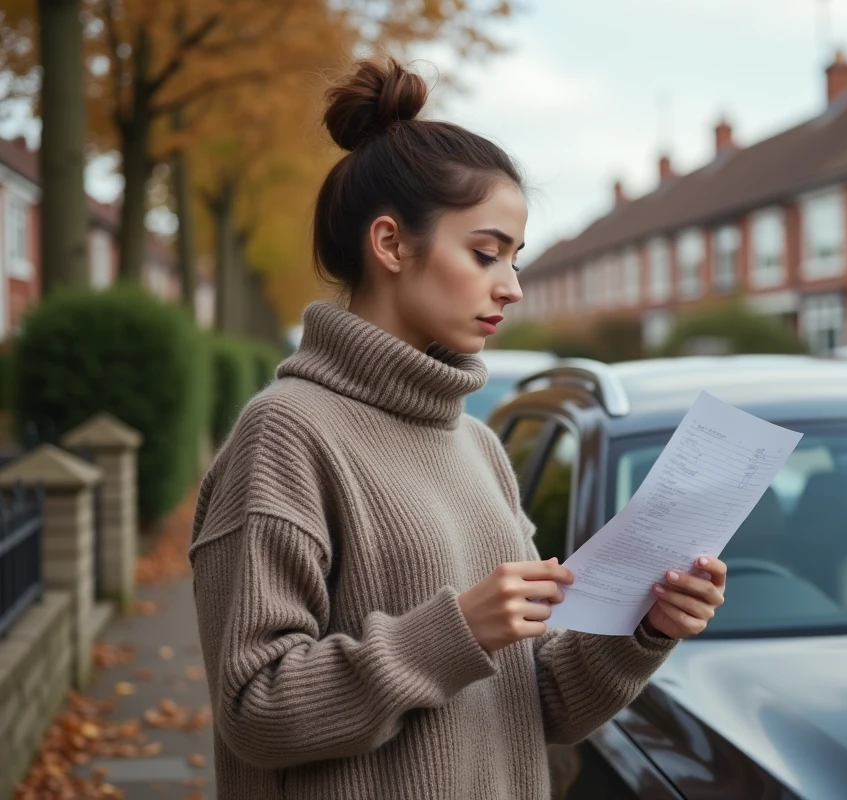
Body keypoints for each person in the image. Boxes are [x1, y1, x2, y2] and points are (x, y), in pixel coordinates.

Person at [188, 56, 727, 800]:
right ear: (391, 244)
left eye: (514, 257)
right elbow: (254, 709)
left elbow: (542, 704)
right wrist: (456, 632)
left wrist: (644, 629)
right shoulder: (284, 434)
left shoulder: (478, 446)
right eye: (485, 253)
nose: (511, 285)